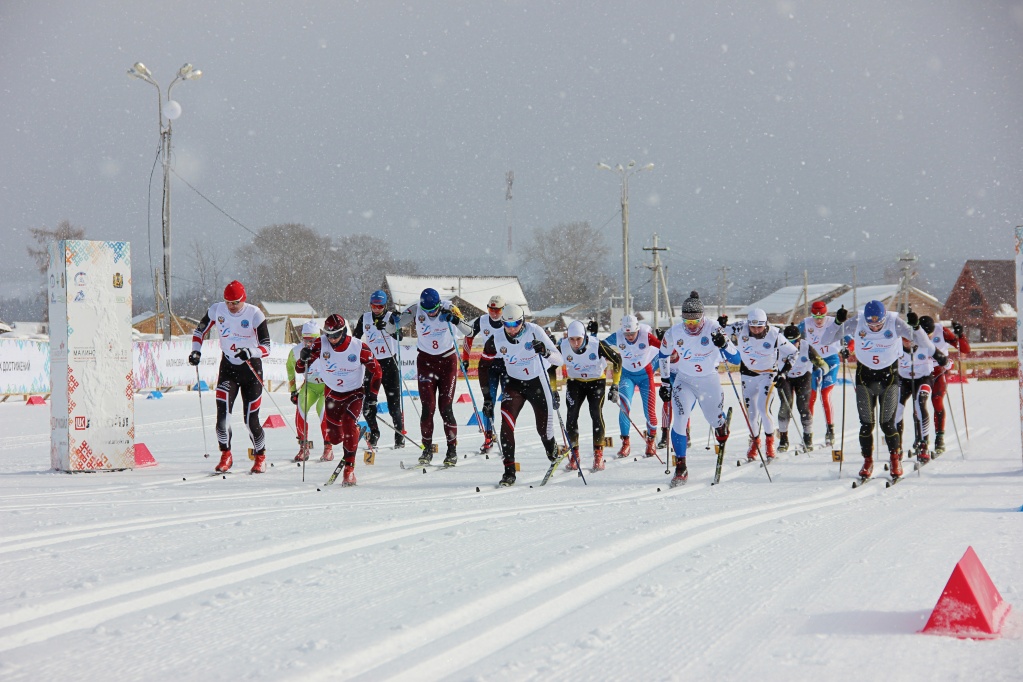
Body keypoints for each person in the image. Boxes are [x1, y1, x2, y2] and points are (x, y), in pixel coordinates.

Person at [820, 301, 934, 479]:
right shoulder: (857, 322)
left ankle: (895, 459)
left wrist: (916, 327)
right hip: (864, 377)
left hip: (889, 377)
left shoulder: (895, 322)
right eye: (871, 324)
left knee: (887, 423)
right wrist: (836, 322)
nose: (874, 327)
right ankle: (867, 461)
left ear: (884, 318)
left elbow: (926, 344)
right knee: (866, 424)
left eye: (878, 323)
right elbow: (825, 340)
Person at [188, 280, 271, 473]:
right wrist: (196, 351)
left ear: (244, 299)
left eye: (235, 303)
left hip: (251, 370)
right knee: (222, 421)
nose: (231, 307)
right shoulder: (217, 310)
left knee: (251, 421)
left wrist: (250, 352)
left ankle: (260, 456)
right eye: (228, 302)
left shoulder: (254, 314)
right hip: (229, 369)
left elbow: (266, 346)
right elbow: (199, 330)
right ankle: (226, 455)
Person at [658, 291, 738, 486]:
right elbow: (663, 356)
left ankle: (720, 424)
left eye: (695, 323)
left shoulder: (714, 328)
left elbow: (736, 359)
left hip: (708, 381)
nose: (691, 327)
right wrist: (665, 383)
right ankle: (681, 466)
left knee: (712, 418)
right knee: (680, 420)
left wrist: (725, 344)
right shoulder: (674, 333)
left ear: (703, 318)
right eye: (687, 322)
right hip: (684, 381)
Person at [296, 314, 382, 486]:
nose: (332, 339)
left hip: (354, 393)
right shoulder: (320, 344)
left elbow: (377, 371)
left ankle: (349, 470)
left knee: (349, 424)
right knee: (335, 439)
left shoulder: (358, 347)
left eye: (336, 335)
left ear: (343, 332)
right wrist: (303, 357)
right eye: (329, 334)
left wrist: (372, 396)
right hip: (332, 394)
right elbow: (300, 369)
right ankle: (354, 432)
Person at [488, 304, 564, 486]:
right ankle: (509, 471)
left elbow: (559, 359)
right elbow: (490, 368)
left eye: (517, 323)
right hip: (514, 383)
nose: (512, 328)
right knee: (506, 425)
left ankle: (552, 452)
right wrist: (487, 396)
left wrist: (545, 352)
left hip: (538, 381)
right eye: (508, 324)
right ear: (502, 323)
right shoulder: (497, 338)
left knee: (544, 430)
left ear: (523, 320)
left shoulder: (535, 331)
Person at [395, 288, 473, 466]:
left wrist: (455, 319)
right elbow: (395, 325)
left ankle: (451, 450)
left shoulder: (450, 307)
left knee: (446, 408)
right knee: (427, 408)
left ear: (439, 305)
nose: (430, 314)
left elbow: (469, 331)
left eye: (434, 310)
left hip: (447, 362)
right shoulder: (416, 308)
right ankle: (427, 450)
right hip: (425, 362)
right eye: (427, 311)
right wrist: (393, 319)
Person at [722, 308, 798, 462]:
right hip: (748, 375)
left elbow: (793, 352)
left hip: (767, 375)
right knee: (751, 416)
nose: (756, 330)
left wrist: (783, 373)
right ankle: (755, 442)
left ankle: (769, 444)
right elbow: (720, 331)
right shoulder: (740, 327)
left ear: (766, 324)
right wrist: (721, 324)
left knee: (764, 410)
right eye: (753, 327)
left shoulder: (775, 334)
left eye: (760, 327)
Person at [558, 319, 622, 472]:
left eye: (578, 339)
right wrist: (553, 389)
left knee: (596, 413)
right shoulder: (563, 346)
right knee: (571, 416)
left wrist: (615, 385)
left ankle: (598, 455)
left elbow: (617, 360)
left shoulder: (596, 345)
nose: (575, 343)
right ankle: (574, 455)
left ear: (584, 336)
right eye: (572, 339)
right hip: (575, 382)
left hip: (596, 382)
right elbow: (551, 365)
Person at [353, 290, 405, 450]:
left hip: (390, 364)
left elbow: (400, 337)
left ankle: (399, 435)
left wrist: (391, 326)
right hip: (372, 365)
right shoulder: (365, 318)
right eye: (374, 305)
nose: (376, 309)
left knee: (393, 404)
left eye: (380, 306)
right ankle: (374, 433)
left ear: (385, 305)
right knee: (368, 405)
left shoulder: (391, 317)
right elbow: (355, 338)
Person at [605, 314, 661, 457]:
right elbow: (600, 346)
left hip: (645, 377)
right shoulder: (618, 336)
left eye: (632, 333)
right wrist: (609, 355)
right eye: (627, 333)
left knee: (649, 411)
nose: (629, 336)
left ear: (637, 329)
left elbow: (664, 349)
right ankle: (625, 443)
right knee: (624, 408)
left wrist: (666, 342)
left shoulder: (646, 336)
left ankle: (651, 440)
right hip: (627, 376)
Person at [461, 295, 507, 454]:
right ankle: (488, 436)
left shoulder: (509, 320)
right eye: (491, 309)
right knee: (489, 401)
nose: (494, 313)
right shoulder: (482, 320)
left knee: (508, 403)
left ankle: (507, 436)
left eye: (497, 310)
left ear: (503, 309)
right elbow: (468, 335)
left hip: (508, 365)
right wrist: (465, 359)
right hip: (489, 365)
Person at [895, 326, 947, 463]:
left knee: (920, 402)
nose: (908, 343)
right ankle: (897, 446)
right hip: (904, 380)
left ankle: (924, 444)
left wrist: (946, 362)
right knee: (897, 408)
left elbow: (939, 357)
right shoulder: (896, 348)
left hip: (924, 378)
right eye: (904, 339)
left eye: (910, 340)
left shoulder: (925, 345)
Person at [920, 316, 970, 454]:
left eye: (930, 334)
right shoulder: (914, 332)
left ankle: (939, 437)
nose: (928, 337)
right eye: (925, 335)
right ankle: (921, 439)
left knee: (937, 401)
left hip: (938, 372)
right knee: (919, 403)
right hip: (922, 373)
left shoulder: (941, 330)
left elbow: (965, 349)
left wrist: (960, 335)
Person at [775, 324, 828, 453]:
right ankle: (783, 439)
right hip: (785, 377)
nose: (792, 345)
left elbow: (823, 364)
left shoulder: (806, 347)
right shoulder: (778, 347)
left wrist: (821, 371)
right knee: (785, 406)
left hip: (803, 377)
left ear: (799, 339)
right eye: (789, 341)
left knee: (803, 406)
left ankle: (808, 438)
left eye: (794, 341)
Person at [799, 301, 845, 446]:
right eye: (815, 317)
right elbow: (792, 339)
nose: (818, 320)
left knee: (824, 394)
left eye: (821, 317)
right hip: (814, 361)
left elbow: (850, 341)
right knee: (810, 396)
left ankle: (830, 430)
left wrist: (847, 349)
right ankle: (808, 433)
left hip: (831, 360)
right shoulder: (805, 324)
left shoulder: (834, 323)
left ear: (826, 314)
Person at [287, 321, 327, 461]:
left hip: (326, 386)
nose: (309, 343)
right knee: (300, 410)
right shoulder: (296, 351)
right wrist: (293, 391)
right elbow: (290, 369)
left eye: (313, 340)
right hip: (309, 386)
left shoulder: (327, 347)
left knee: (322, 411)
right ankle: (304, 448)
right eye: (306, 340)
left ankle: (328, 448)